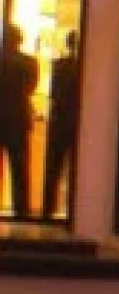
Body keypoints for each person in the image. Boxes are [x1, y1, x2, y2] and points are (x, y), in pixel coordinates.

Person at [0, 26, 37, 219]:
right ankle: (21, 210)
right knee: (20, 169)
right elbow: (31, 88)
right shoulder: (29, 62)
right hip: (18, 119)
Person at [41, 32, 78, 220]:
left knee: (53, 167)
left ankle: (48, 209)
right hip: (78, 123)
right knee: (77, 168)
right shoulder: (85, 68)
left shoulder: (58, 66)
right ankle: (74, 209)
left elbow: (53, 94)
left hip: (59, 120)